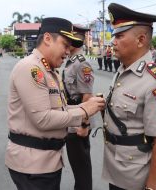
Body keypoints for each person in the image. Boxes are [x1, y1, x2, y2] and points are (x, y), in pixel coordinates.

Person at [5, 17, 105, 190]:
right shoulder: (31, 68)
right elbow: (43, 118)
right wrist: (83, 111)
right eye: (65, 45)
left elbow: (60, 109)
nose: (68, 51)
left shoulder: (49, 70)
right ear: (48, 39)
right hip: (33, 164)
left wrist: (86, 108)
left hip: (45, 161)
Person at [101, 3, 156, 190]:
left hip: (138, 178)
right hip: (118, 170)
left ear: (141, 39)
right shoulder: (123, 70)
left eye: (119, 36)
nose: (113, 42)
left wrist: (151, 187)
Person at [62, 24, 93, 190]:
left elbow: (87, 96)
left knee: (81, 165)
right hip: (72, 116)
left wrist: (83, 124)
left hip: (78, 119)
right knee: (76, 162)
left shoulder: (82, 64)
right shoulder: (72, 62)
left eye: (69, 39)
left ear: (75, 42)